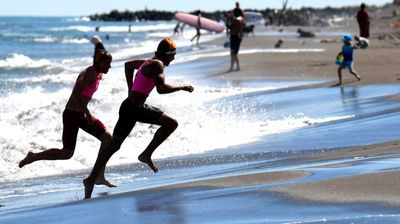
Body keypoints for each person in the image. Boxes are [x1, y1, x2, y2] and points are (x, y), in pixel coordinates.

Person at [83, 38, 194, 199]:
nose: (174, 59)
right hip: (134, 109)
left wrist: (130, 88)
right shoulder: (157, 65)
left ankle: (91, 179)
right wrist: (182, 87)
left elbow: (128, 65)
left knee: (114, 146)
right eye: (173, 55)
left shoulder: (149, 61)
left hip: (131, 107)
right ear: (167, 55)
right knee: (171, 124)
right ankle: (146, 154)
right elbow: (161, 89)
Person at [19, 50, 115, 187]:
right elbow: (76, 92)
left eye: (110, 64)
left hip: (80, 114)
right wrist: (87, 112)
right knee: (67, 153)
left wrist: (85, 112)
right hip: (72, 114)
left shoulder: (98, 74)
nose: (109, 67)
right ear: (98, 63)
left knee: (107, 138)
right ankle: (33, 156)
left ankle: (99, 176)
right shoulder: (88, 73)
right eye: (107, 64)